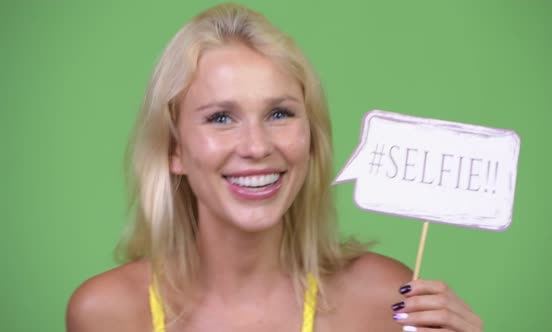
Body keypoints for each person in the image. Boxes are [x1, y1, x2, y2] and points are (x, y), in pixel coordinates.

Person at [66, 3, 483, 332]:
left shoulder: (388, 299)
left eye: (280, 114)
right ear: (175, 151)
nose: (256, 146)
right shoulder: (105, 313)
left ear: (311, 137)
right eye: (221, 118)